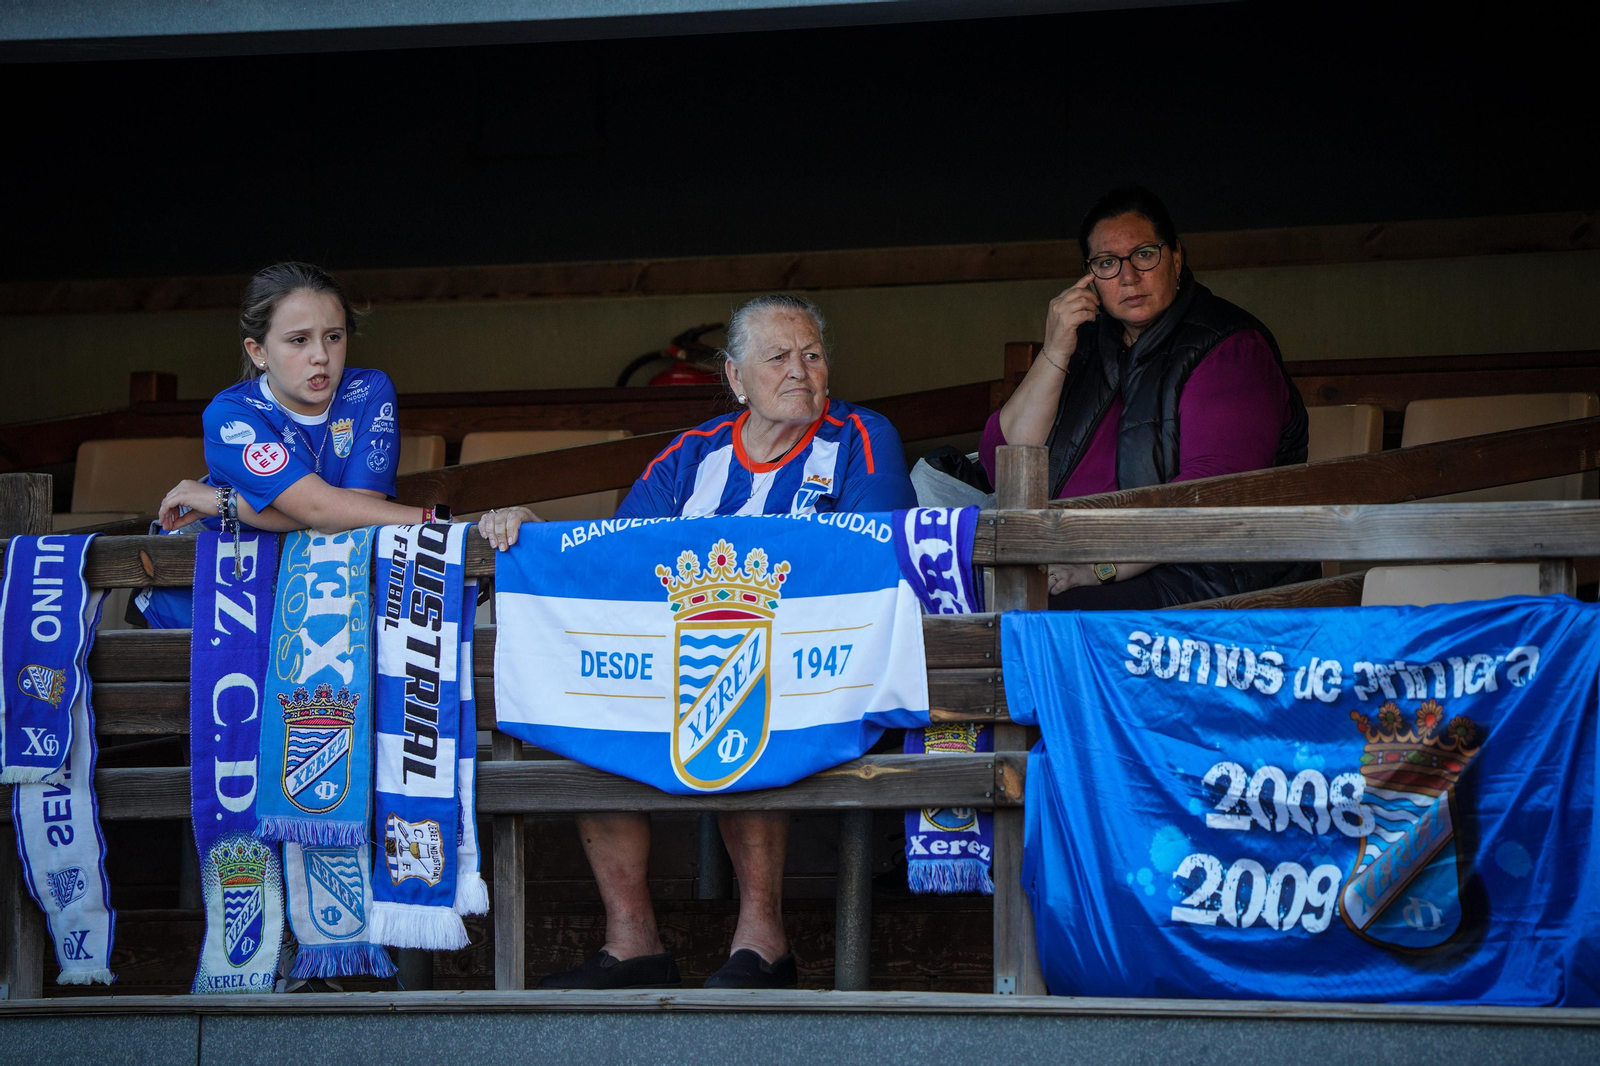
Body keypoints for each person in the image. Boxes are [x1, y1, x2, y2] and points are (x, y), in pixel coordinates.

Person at [539, 293, 917, 991]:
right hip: (682, 658)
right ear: (736, 378)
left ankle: (764, 940)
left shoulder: (862, 436)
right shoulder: (693, 454)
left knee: (743, 683)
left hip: (817, 669)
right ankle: (632, 942)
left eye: (812, 354)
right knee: (589, 704)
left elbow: (875, 555)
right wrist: (531, 536)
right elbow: (625, 552)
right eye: (778, 356)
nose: (799, 370)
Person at [137, 262, 531, 628]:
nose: (320, 356)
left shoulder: (369, 390)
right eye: (298, 340)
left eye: (333, 337)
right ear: (258, 352)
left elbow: (352, 510)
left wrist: (227, 503)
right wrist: (437, 521)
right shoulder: (231, 415)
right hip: (205, 603)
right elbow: (326, 511)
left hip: (311, 596)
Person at [981, 185, 1315, 608]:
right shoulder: (1083, 344)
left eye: (1143, 254)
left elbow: (1205, 499)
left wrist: (1096, 568)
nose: (1127, 276)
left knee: (1041, 617)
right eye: (1107, 263)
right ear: (1091, 278)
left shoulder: (1230, 348)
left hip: (1204, 576)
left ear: (1176, 257)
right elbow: (1002, 465)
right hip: (1064, 557)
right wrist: (1054, 352)